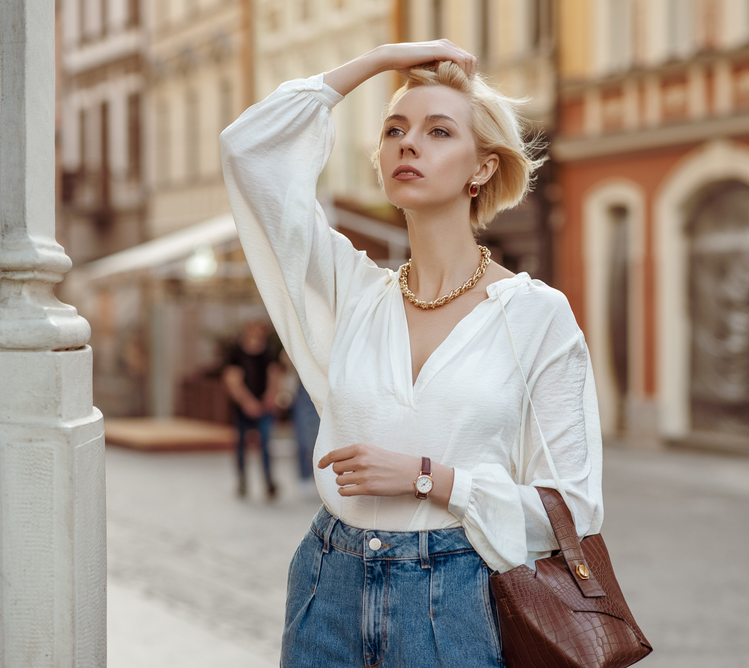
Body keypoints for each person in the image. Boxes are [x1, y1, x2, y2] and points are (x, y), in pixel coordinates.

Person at [221, 41, 603, 667]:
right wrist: (382, 59)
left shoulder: (536, 315)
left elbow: (573, 512)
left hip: (455, 598)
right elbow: (249, 151)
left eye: (438, 131)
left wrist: (429, 479)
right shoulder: (353, 293)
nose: (408, 143)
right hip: (328, 583)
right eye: (394, 129)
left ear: (481, 168)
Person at [222, 320, 283, 500]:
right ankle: (242, 480)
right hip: (243, 407)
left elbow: (275, 375)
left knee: (265, 442)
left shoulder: (268, 351)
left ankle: (269, 481)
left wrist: (270, 397)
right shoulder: (236, 352)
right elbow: (232, 380)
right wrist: (247, 402)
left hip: (264, 406)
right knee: (241, 444)